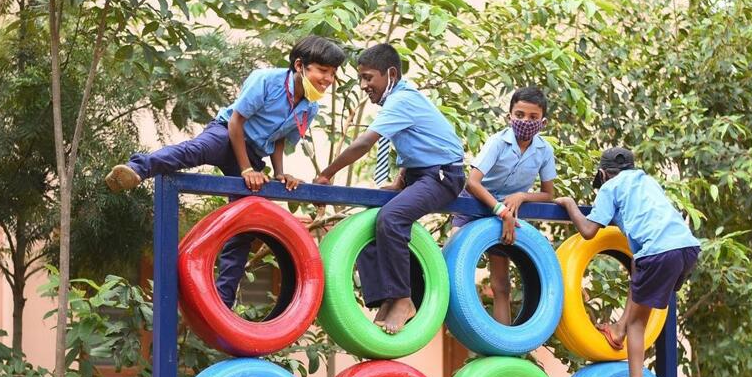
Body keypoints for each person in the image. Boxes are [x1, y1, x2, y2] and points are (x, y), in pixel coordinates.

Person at [105, 35, 346, 307]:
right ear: (300, 65)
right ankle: (136, 169)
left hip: (254, 152)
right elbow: (236, 121)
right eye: (322, 71)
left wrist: (280, 173)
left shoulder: (310, 107)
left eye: (333, 73)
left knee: (246, 223)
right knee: (194, 151)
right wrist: (244, 169)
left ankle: (223, 300)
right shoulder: (266, 80)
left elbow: (280, 138)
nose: (328, 79)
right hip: (227, 135)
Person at [314, 43, 465, 334]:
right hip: (419, 174)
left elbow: (364, 143)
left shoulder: (402, 100)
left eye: (369, 78)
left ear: (391, 74)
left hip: (444, 176)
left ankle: (404, 299)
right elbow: (420, 143)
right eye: (360, 78)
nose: (363, 85)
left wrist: (327, 174)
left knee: (392, 218)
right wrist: (402, 179)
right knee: (369, 217)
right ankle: (386, 295)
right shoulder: (397, 101)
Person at [554, 148, 701, 377]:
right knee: (638, 266)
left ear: (604, 173)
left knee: (638, 322)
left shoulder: (609, 186)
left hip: (658, 253)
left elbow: (587, 231)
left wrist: (571, 205)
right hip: (687, 249)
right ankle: (619, 328)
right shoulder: (646, 181)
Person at [452, 86, 556, 324]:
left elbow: (548, 194)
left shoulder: (544, 151)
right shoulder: (497, 142)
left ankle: (503, 341)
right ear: (509, 116)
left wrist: (522, 196)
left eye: (533, 117)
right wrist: (499, 210)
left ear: (543, 122)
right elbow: (473, 182)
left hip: (507, 209)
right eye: (519, 115)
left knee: (501, 284)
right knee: (454, 265)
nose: (525, 121)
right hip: (476, 204)